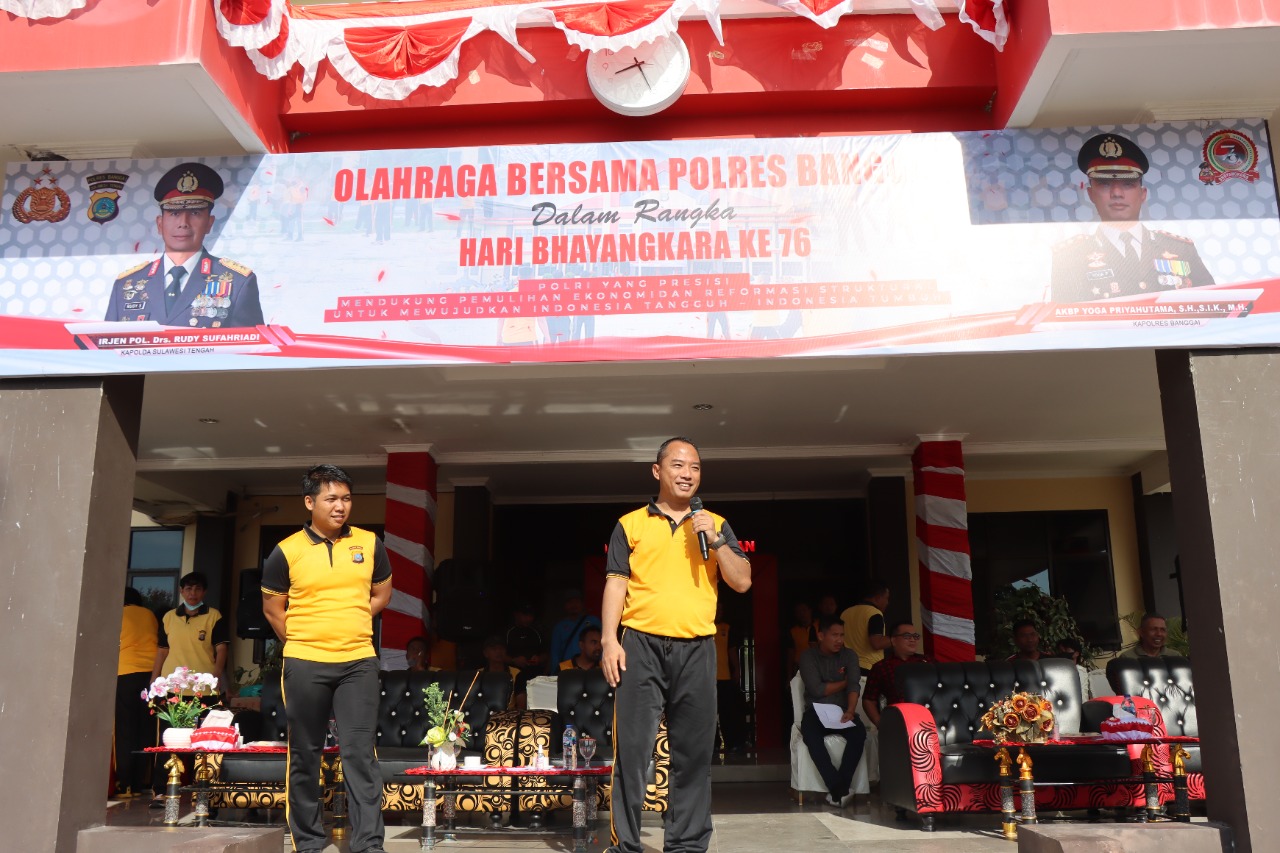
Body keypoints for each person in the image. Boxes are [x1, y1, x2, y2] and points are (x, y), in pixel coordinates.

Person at [602, 436, 752, 853]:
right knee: (633, 751)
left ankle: (686, 844)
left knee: (694, 753)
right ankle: (625, 845)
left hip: (697, 648)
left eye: (695, 467)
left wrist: (716, 540)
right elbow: (616, 584)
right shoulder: (630, 524)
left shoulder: (716, 523)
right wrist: (610, 640)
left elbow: (742, 581)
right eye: (679, 465)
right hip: (640, 647)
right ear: (658, 471)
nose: (688, 474)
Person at [261, 464, 393, 853]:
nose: (340, 506)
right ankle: (309, 843)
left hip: (358, 662)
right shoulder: (286, 550)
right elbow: (273, 609)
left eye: (346, 498)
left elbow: (382, 594)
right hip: (305, 662)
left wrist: (349, 621)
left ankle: (369, 844)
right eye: (331, 498)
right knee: (305, 754)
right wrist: (307, 639)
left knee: (360, 754)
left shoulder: (370, 543)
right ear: (309, 502)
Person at [1050, 133, 1215, 303]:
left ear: (1143, 194)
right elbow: (1063, 316)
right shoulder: (1071, 256)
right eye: (1104, 184)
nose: (1117, 193)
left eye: (1128, 184)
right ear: (1091, 194)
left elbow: (1214, 306)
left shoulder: (1180, 249)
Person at [105, 162, 264, 327]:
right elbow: (105, 341)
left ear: (209, 223)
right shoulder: (127, 284)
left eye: (195, 213)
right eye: (174, 213)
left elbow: (250, 343)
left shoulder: (237, 283)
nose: (183, 223)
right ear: (160, 224)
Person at [797, 616, 867, 807]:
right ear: (821, 636)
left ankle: (838, 790)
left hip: (842, 710)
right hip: (816, 710)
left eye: (842, 635)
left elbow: (854, 686)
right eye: (834, 635)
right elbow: (817, 690)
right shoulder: (808, 656)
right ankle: (838, 788)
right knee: (811, 736)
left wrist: (851, 710)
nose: (839, 640)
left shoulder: (849, 655)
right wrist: (845, 682)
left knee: (859, 733)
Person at [115, 587, 158, 799]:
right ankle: (142, 782)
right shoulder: (150, 615)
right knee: (146, 728)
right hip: (150, 674)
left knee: (125, 729)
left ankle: (125, 785)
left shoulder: (118, 613)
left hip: (125, 672)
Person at [861, 621, 929, 728]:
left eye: (915, 636)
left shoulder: (928, 662)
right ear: (893, 640)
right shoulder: (881, 667)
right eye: (907, 636)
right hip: (899, 721)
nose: (912, 639)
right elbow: (868, 700)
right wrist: (881, 724)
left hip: (930, 718)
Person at [713, 605, 747, 753]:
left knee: (727, 712)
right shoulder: (702, 627)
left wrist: (737, 669)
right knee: (709, 714)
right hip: (706, 679)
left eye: (720, 610)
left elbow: (732, 650)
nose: (718, 612)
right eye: (716, 609)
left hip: (724, 676)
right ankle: (713, 744)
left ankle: (732, 743)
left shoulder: (726, 628)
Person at [840, 580, 890, 677]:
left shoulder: (845, 613)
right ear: (878, 598)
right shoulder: (874, 613)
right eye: (887, 598)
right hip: (869, 669)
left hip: (847, 668)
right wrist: (896, 638)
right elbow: (877, 643)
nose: (887, 602)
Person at [548, 591, 601, 673]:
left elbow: (604, 645)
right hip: (567, 669)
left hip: (593, 668)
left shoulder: (593, 621)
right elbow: (555, 654)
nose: (573, 605)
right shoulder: (560, 627)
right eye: (570, 602)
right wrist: (555, 675)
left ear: (582, 604)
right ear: (565, 605)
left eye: (576, 601)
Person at [481, 635, 529, 710]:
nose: (498, 651)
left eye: (501, 648)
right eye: (494, 649)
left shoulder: (516, 673)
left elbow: (521, 704)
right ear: (485, 653)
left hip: (509, 714)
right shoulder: (477, 674)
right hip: (484, 713)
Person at [504, 602, 544, 676]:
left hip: (534, 674)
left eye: (531, 615)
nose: (528, 618)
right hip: (512, 674)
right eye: (525, 615)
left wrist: (539, 659)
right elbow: (497, 655)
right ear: (516, 615)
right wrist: (513, 660)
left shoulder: (537, 632)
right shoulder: (507, 632)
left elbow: (546, 653)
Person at [786, 601, 817, 677]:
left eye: (804, 610)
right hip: (800, 668)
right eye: (798, 611)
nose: (801, 613)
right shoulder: (793, 631)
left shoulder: (820, 625)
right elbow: (790, 655)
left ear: (810, 610)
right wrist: (789, 676)